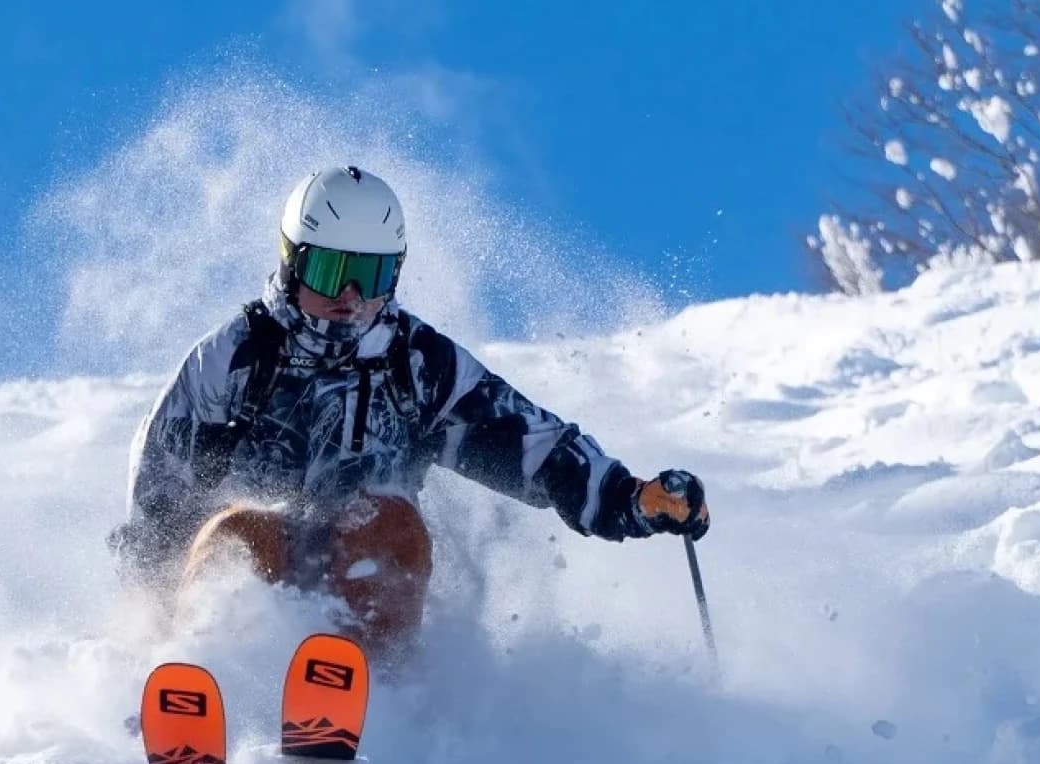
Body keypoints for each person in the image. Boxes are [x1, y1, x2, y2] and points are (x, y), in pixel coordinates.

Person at [109, 165, 710, 653]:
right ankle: (206, 680)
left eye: (370, 276)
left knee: (387, 520)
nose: (350, 298)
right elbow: (163, 485)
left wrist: (631, 498)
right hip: (245, 587)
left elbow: (529, 443)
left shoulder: (416, 364)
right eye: (330, 270)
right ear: (292, 263)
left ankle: (363, 691)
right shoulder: (234, 358)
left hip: (363, 585)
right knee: (244, 530)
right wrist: (149, 608)